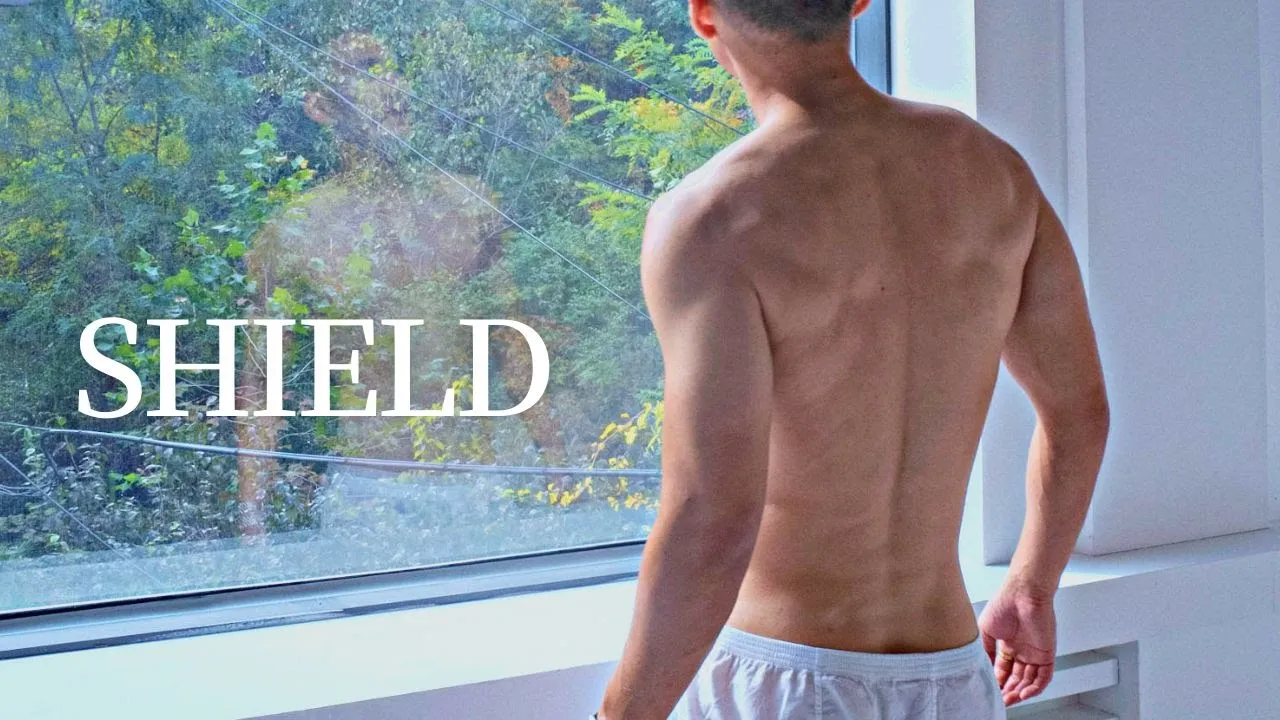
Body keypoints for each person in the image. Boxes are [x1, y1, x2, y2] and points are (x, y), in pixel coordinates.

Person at [592, 0, 1111, 718]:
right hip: (952, 679)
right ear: (861, 1)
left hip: (787, 681)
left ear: (703, 15)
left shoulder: (714, 218)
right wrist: (1030, 587)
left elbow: (713, 517)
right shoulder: (994, 171)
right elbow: (1079, 415)